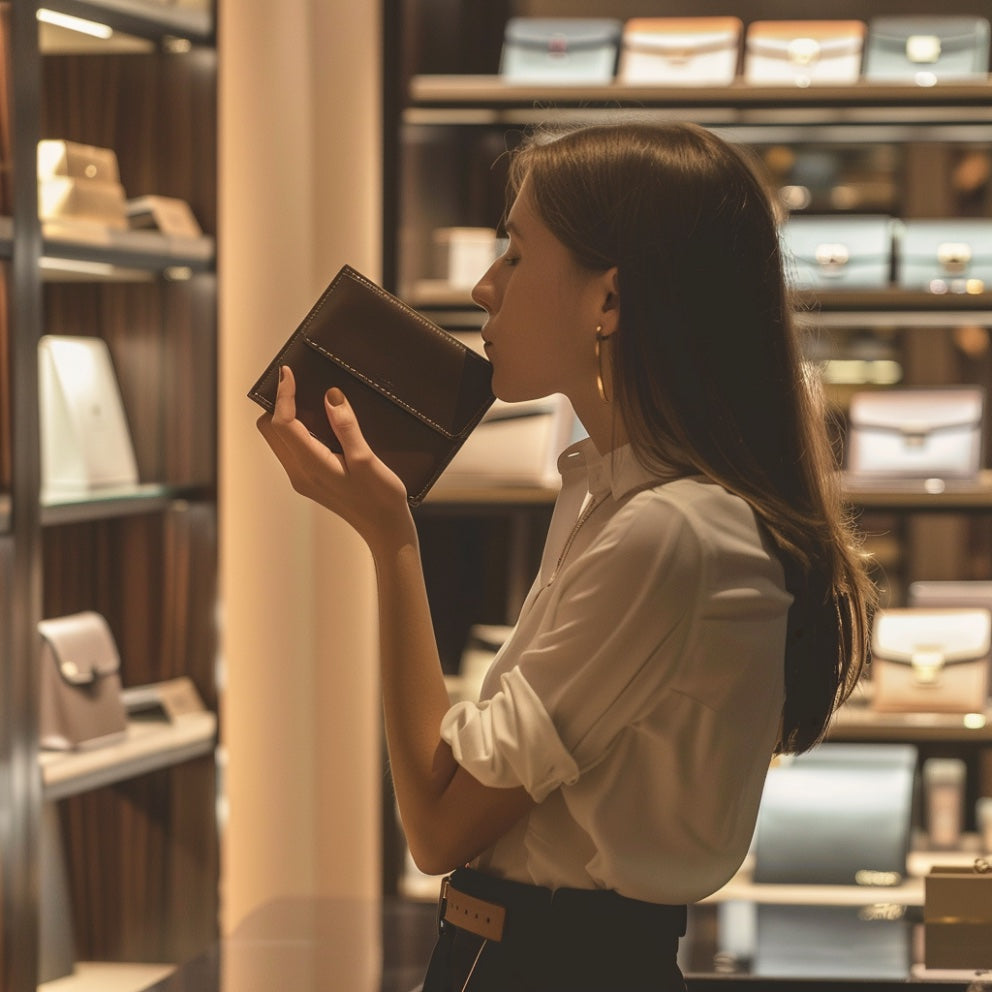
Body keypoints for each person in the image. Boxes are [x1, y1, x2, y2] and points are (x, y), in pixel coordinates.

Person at [256, 121, 876, 992]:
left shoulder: (670, 534)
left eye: (514, 254)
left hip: (546, 965)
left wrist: (391, 537)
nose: (483, 287)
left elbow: (438, 828)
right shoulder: (611, 496)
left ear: (609, 302)